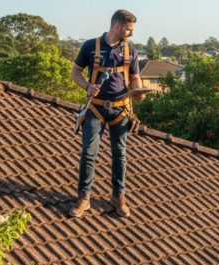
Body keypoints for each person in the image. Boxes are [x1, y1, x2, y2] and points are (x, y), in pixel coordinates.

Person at [69, 9, 145, 218]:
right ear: (118, 26)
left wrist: (138, 90)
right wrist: (86, 87)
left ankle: (118, 195)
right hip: (96, 108)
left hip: (121, 109)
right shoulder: (90, 46)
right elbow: (75, 72)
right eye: (129, 30)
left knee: (120, 154)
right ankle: (84, 197)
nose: (131, 34)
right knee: (88, 153)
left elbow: (135, 78)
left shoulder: (131, 51)